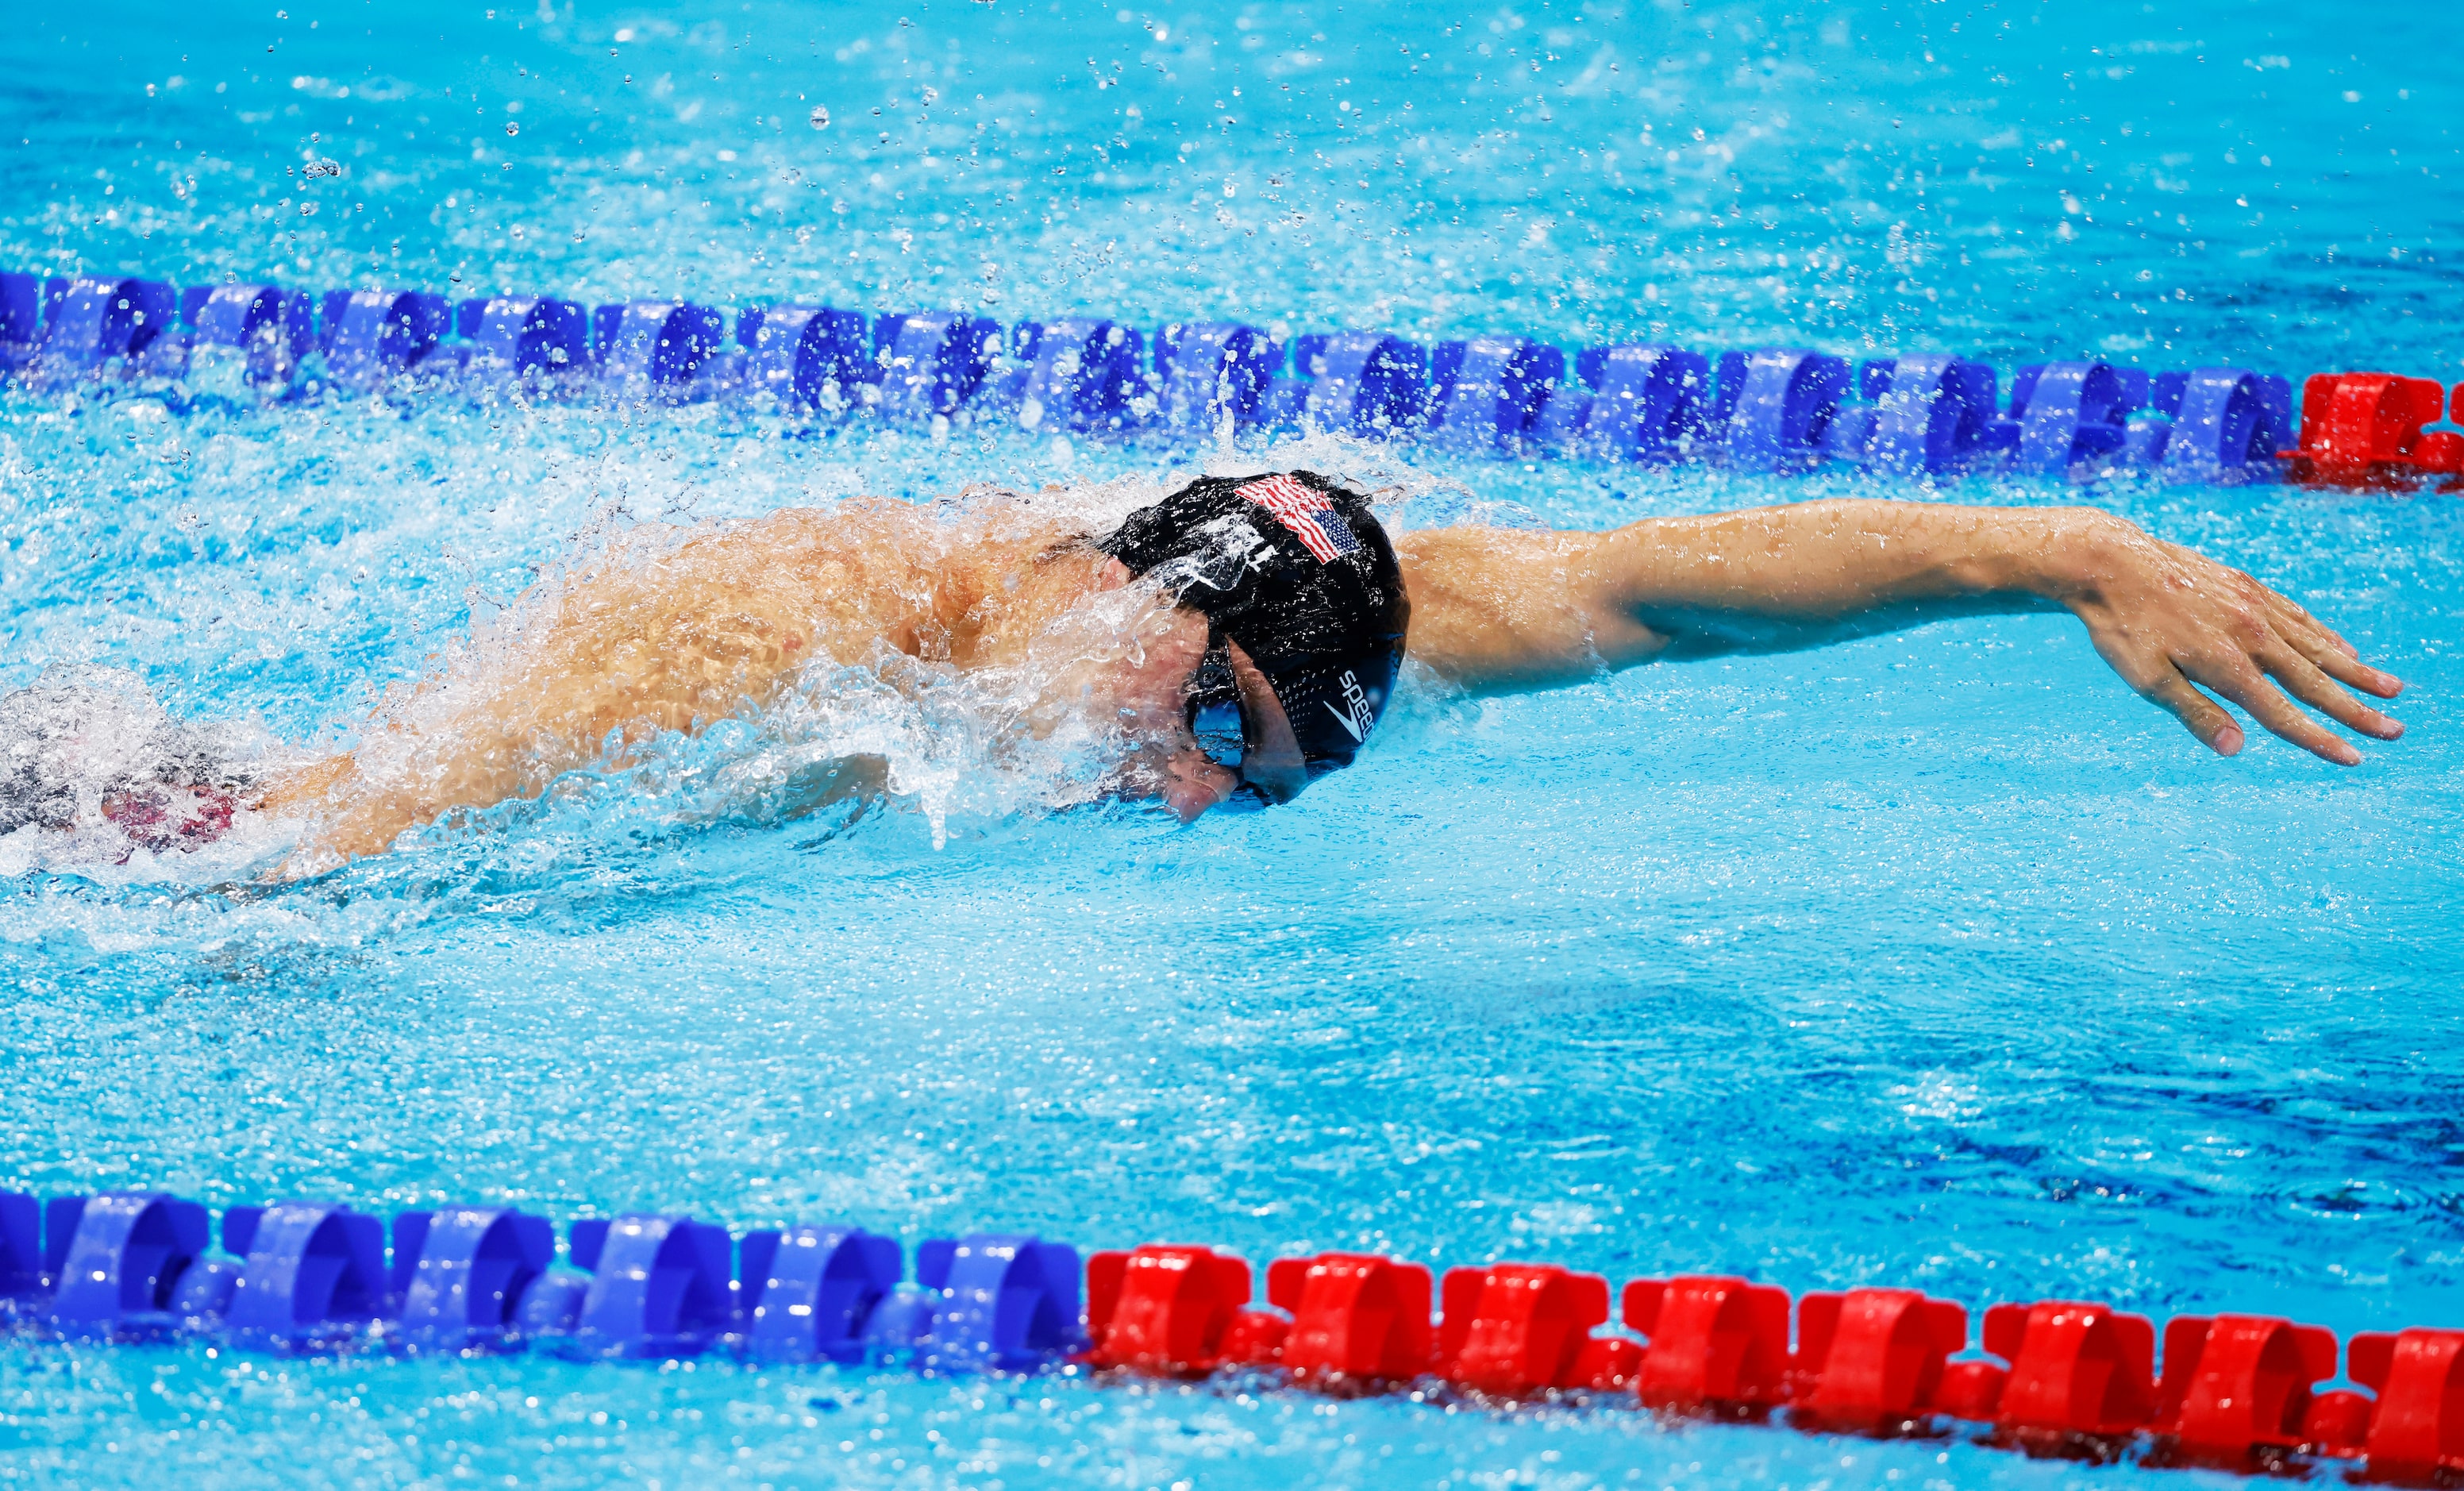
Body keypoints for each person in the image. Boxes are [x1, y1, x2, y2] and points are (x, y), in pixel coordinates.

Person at [0, 468, 2407, 873]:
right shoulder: (765, 634)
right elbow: (308, 874)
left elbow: (1644, 592)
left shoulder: (1306, 604)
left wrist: (2055, 550)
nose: (1179, 806)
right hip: (135, 810)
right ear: (1169, 624)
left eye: (1247, 789)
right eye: (1215, 744)